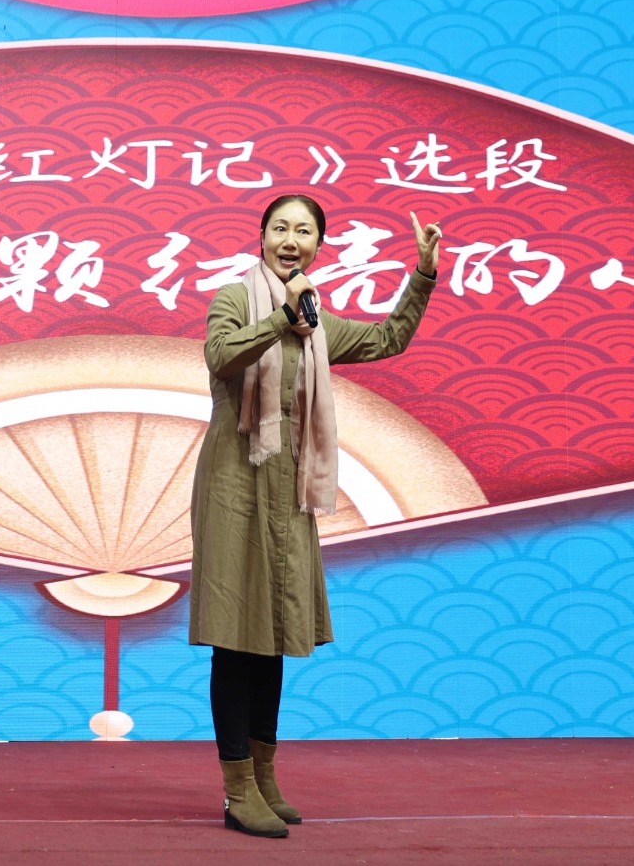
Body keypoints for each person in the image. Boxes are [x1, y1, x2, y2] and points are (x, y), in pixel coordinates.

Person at [188, 194, 443, 838]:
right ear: (261, 238)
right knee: (235, 636)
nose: (290, 239)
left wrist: (422, 274)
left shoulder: (318, 323)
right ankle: (236, 789)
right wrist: (282, 316)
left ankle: (265, 777)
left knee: (273, 631)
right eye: (280, 228)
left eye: (304, 231)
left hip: (288, 494)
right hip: (234, 487)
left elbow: (388, 338)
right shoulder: (235, 299)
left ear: (319, 247)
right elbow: (222, 356)